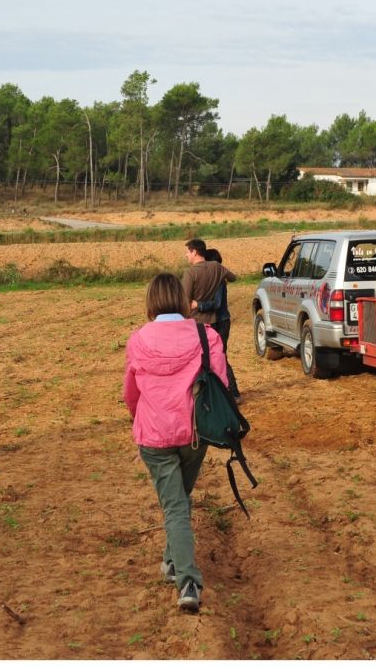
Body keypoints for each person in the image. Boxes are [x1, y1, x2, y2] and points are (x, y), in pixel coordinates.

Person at [123, 273, 229, 614]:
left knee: (174, 505)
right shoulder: (206, 334)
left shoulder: (138, 338)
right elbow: (222, 382)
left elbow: (131, 391)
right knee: (179, 500)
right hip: (195, 433)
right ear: (182, 301)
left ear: (151, 301)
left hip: (154, 435)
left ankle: (187, 582)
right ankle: (172, 563)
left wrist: (136, 415)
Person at [195, 247, 241, 402]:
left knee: (221, 356)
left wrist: (198, 305)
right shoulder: (215, 278)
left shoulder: (219, 280)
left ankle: (233, 393)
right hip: (218, 321)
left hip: (221, 322)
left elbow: (217, 303)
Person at [181, 238, 237, 328]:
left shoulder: (190, 272)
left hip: (196, 321)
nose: (186, 254)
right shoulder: (217, 266)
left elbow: (184, 300)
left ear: (194, 252)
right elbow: (233, 278)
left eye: (187, 252)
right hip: (213, 320)